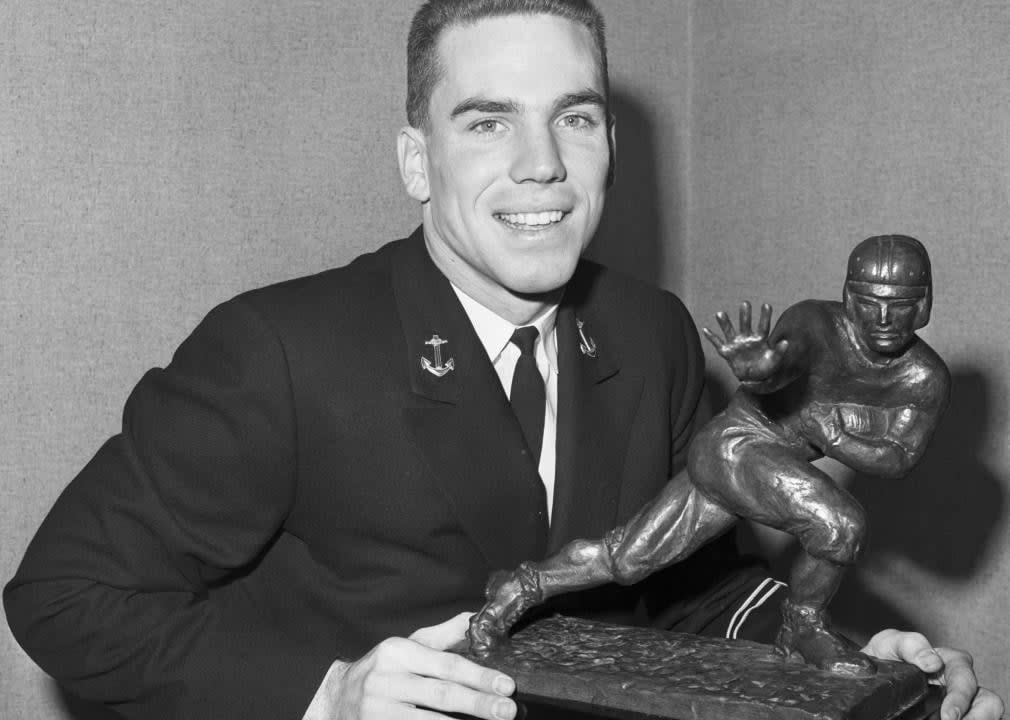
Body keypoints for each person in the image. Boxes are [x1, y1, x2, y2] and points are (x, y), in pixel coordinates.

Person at [3, 2, 1002, 720]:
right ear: (415, 159)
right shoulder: (276, 349)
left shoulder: (651, 329)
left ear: (608, 142)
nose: (541, 165)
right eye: (487, 122)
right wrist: (323, 694)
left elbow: (686, 582)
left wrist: (825, 660)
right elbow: (64, 596)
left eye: (572, 117)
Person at [470, 235, 964, 678]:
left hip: (750, 468)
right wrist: (761, 371)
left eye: (899, 305)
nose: (881, 319)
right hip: (735, 446)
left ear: (923, 306)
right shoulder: (817, 323)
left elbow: (898, 459)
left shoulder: (923, 378)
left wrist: (832, 436)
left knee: (627, 559)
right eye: (868, 302)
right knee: (839, 524)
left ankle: (521, 584)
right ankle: (802, 626)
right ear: (847, 297)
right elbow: (782, 361)